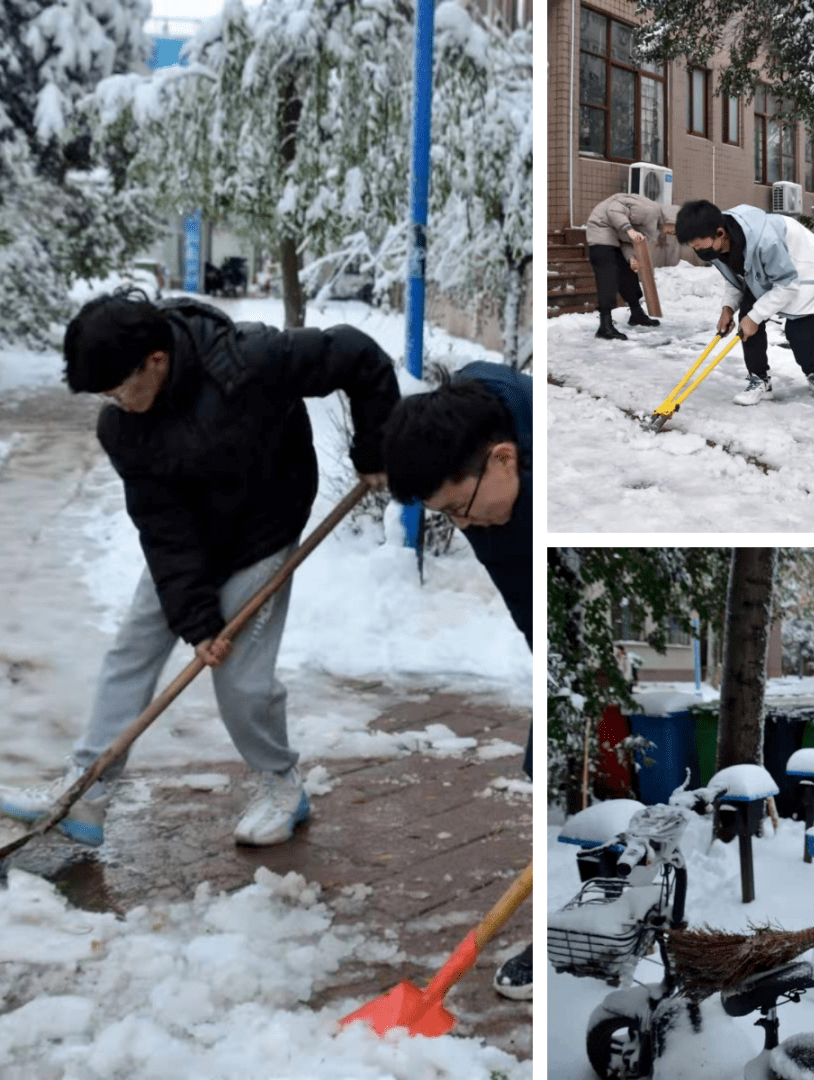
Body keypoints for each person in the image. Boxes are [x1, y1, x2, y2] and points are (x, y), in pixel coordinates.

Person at [0, 290, 400, 848]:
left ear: (156, 361)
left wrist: (375, 448)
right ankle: (85, 796)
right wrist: (196, 620)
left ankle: (281, 784)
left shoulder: (250, 361)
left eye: (120, 386)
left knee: (239, 679)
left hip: (264, 531)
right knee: (133, 649)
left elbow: (358, 356)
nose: (115, 401)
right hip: (193, 542)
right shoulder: (122, 427)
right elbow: (162, 526)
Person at [381, 360, 533, 1001]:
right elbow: (531, 608)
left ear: (504, 459)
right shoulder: (484, 491)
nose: (463, 527)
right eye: (446, 515)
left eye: (458, 510)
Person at [674, 199, 814, 405]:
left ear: (720, 233)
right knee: (746, 322)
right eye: (693, 246)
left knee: (799, 334)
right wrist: (727, 310)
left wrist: (756, 316)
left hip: (804, 264)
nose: (697, 250)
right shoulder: (715, 244)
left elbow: (787, 283)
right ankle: (760, 379)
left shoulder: (766, 240)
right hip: (765, 270)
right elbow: (735, 280)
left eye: (698, 244)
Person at [586, 192, 679, 340]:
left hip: (615, 236)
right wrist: (629, 229)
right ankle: (605, 325)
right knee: (608, 274)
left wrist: (630, 259)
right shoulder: (649, 210)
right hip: (601, 229)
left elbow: (627, 242)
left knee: (628, 273)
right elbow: (614, 209)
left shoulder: (654, 225)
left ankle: (636, 314)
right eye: (677, 229)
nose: (674, 233)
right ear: (672, 219)